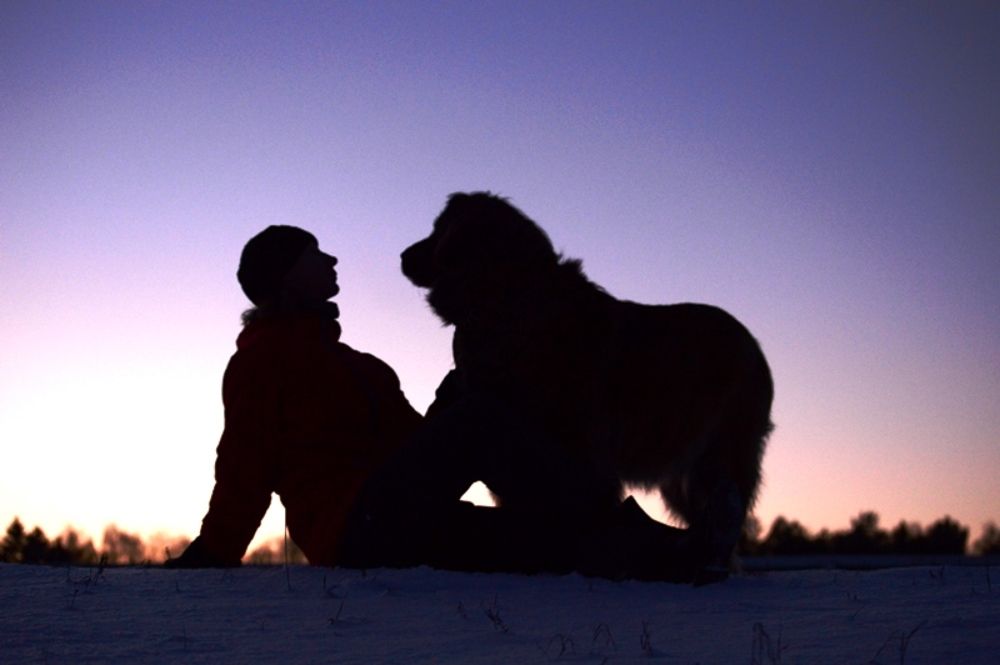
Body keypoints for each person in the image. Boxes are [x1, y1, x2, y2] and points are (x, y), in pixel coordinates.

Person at [166, 226, 422, 567]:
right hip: (354, 530)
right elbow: (247, 463)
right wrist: (213, 550)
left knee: (478, 412)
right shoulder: (263, 361)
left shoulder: (362, 366)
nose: (332, 259)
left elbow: (422, 445)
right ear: (285, 274)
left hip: (411, 510)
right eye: (314, 252)